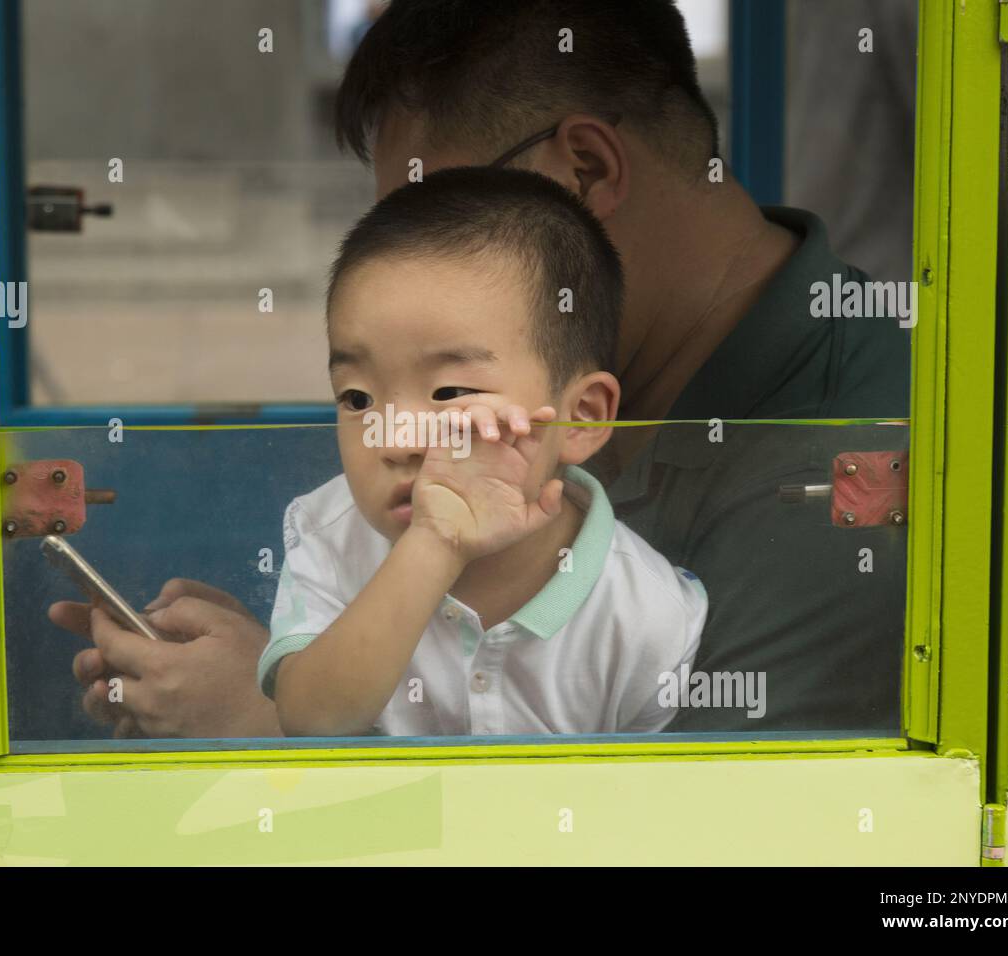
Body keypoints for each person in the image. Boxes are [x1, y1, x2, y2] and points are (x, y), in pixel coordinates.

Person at [53, 0, 909, 736]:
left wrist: (264, 720)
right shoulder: (559, 409)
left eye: (448, 221)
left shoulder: (853, 456)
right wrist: (302, 665)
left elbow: (686, 833)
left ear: (586, 170)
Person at [261, 166, 706, 736]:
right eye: (357, 398)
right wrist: (434, 544)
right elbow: (313, 722)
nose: (395, 440)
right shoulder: (328, 534)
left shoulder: (647, 613)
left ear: (582, 416)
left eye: (450, 394)